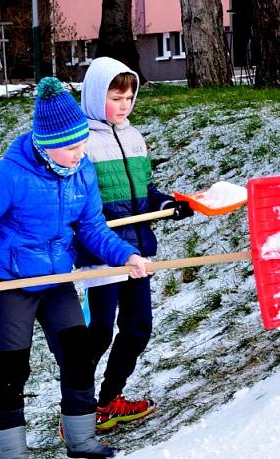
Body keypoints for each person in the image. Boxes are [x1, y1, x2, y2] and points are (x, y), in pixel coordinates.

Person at [0, 77, 149, 459]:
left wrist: (126, 256)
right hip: (9, 281)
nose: (81, 153)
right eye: (72, 147)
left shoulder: (81, 171)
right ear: (46, 144)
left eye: (83, 144)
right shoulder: (11, 175)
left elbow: (92, 228)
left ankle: (82, 439)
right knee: (13, 365)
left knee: (77, 352)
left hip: (55, 278)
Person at [77, 56, 193, 432]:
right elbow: (79, 202)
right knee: (98, 334)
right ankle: (77, 410)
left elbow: (143, 190)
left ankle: (108, 400)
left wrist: (164, 205)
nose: (124, 105)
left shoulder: (134, 136)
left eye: (129, 97)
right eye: (116, 97)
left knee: (138, 326)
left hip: (137, 251)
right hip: (102, 253)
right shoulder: (83, 143)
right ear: (96, 96)